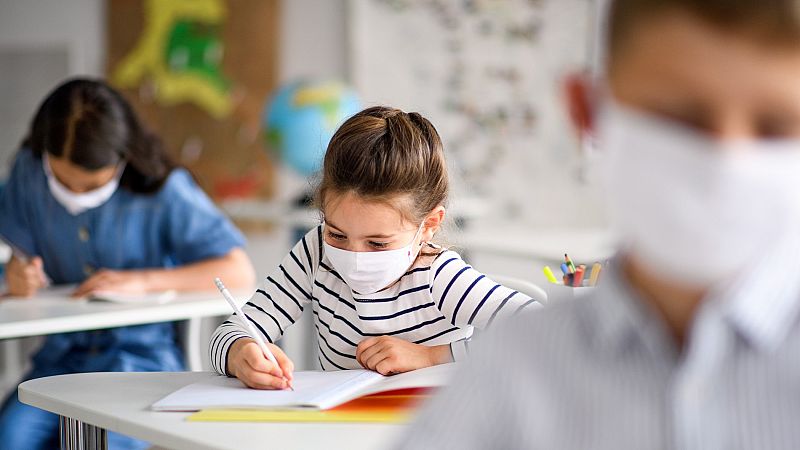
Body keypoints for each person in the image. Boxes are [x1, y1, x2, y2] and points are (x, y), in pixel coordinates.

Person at [398, 0, 800, 448]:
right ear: (589, 111)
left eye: (777, 126)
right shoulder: (512, 366)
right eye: (681, 118)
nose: (726, 162)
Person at [0, 78, 255, 450]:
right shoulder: (27, 175)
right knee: (10, 436)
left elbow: (238, 270)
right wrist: (13, 277)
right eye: (62, 183)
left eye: (91, 188)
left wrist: (143, 281)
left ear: (121, 159)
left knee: (104, 442)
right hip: (59, 362)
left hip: (138, 362)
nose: (75, 198)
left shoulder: (163, 189)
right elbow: (10, 255)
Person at [210, 106, 538, 389]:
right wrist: (241, 352)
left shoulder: (439, 277)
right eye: (338, 234)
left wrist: (432, 356)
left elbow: (542, 332)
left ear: (429, 225)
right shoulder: (315, 253)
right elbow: (233, 329)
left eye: (378, 243)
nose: (353, 257)